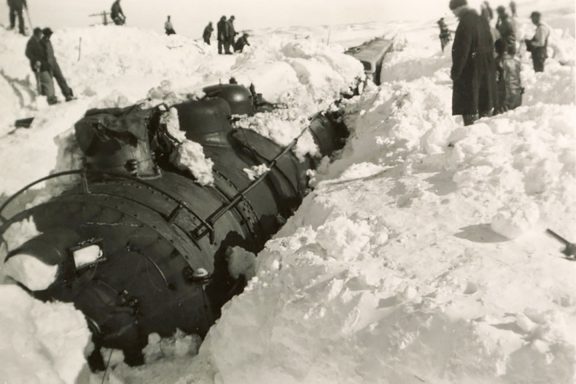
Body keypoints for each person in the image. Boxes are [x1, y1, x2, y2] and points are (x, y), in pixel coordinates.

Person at [449, 0, 496, 126]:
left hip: (470, 73)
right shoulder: (482, 20)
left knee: (470, 108)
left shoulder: (465, 23)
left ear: (459, 8)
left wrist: (455, 72)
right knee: (484, 109)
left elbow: (461, 51)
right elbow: (491, 45)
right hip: (485, 71)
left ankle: (470, 134)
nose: (454, 14)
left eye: (454, 11)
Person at [41, 28, 74, 102]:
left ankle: (68, 94)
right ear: (45, 34)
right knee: (49, 82)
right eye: (49, 34)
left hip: (54, 63)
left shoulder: (48, 41)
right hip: (47, 64)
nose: (50, 35)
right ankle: (51, 98)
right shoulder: (41, 42)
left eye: (50, 34)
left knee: (61, 78)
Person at [494, 39, 523, 114]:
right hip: (517, 96)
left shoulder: (497, 62)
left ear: (497, 49)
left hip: (504, 97)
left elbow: (495, 80)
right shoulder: (516, 61)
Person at [25, 28, 44, 93]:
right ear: (36, 34)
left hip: (41, 63)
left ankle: (43, 91)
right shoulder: (31, 42)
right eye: (40, 34)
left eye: (41, 34)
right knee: (39, 78)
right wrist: (35, 60)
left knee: (43, 78)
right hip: (35, 64)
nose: (41, 35)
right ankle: (40, 93)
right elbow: (27, 53)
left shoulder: (39, 41)